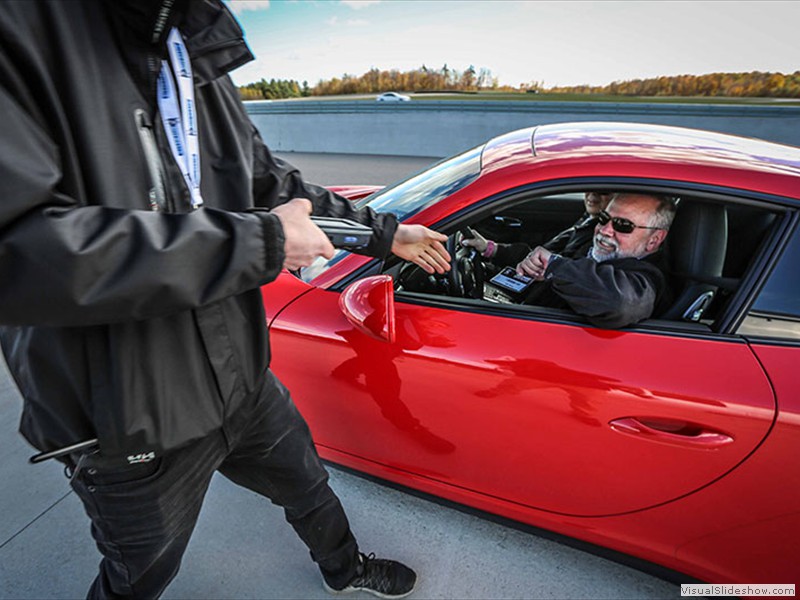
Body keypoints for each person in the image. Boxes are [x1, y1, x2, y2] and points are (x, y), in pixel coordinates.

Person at [0, 1, 451, 598]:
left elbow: (270, 182)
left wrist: (386, 233)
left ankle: (345, 570)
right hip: (125, 414)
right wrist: (256, 243)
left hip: (238, 375)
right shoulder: (24, 27)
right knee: (141, 573)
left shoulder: (190, 46)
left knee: (309, 486)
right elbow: (21, 251)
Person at [516, 193, 677, 328]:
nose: (605, 230)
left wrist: (555, 266)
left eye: (623, 225)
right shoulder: (595, 249)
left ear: (654, 240)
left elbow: (619, 303)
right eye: (604, 217)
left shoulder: (648, 280)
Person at [461, 191, 614, 266]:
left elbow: (549, 266)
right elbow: (544, 253)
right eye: (590, 188)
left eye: (604, 192)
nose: (593, 196)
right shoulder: (587, 221)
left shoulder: (600, 242)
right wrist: (490, 248)